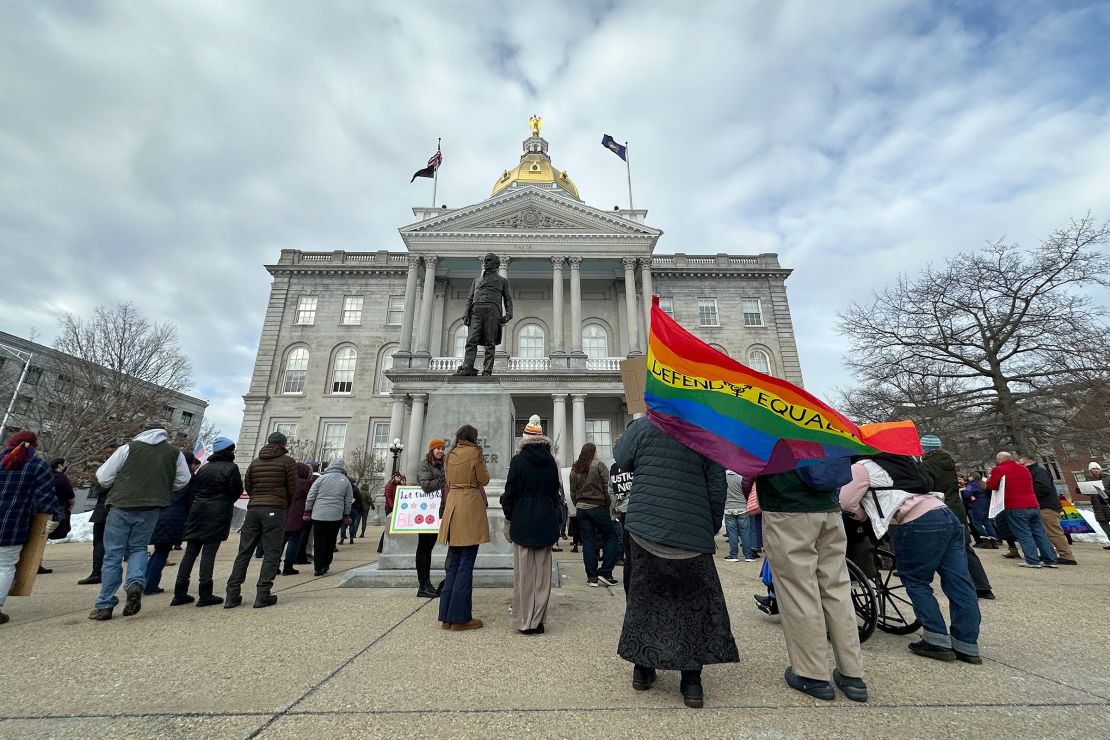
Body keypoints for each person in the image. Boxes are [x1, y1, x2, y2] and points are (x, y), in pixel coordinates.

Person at [614, 416, 737, 709]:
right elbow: (716, 483)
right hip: (691, 532)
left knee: (644, 601)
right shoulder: (705, 429)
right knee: (692, 606)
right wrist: (709, 525)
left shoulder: (644, 426)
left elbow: (621, 460)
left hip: (646, 527)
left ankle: (643, 670)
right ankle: (691, 681)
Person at [841, 455, 982, 664]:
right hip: (944, 514)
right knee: (959, 581)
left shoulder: (863, 467)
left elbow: (846, 501)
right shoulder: (906, 464)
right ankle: (967, 643)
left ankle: (936, 638)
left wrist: (863, 515)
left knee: (915, 580)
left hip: (916, 521)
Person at [755, 459, 867, 703]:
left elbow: (750, 465)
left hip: (787, 508)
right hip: (828, 509)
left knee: (798, 591)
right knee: (837, 590)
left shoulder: (774, 423)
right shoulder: (823, 421)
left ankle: (811, 674)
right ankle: (852, 674)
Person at [90, 426, 191, 621]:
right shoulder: (174, 453)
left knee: (113, 555)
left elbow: (103, 477)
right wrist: (162, 487)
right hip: (151, 506)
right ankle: (135, 582)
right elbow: (183, 480)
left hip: (122, 505)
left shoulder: (128, 448)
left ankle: (105, 604)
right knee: (138, 548)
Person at [500, 417, 561, 634]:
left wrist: (508, 516)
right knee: (543, 575)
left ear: (524, 438)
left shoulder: (518, 461)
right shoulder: (552, 462)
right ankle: (539, 620)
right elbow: (556, 493)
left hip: (523, 521)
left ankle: (525, 621)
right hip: (545, 520)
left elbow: (509, 496)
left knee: (524, 574)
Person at [225, 431, 297, 609]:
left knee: (244, 552)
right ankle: (263, 594)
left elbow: (248, 486)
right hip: (275, 509)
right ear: (283, 445)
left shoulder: (255, 462)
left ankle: (232, 595)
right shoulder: (288, 462)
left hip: (253, 509)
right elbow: (292, 488)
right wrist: (282, 503)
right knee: (272, 553)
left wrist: (257, 499)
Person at [920, 436, 995, 599]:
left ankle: (950, 584)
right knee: (965, 546)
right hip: (956, 506)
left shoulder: (926, 465)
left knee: (937, 548)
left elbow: (925, 486)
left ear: (925, 449)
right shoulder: (948, 462)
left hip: (939, 507)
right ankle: (982, 586)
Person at [173, 437, 243, 606]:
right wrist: (224, 501)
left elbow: (195, 490)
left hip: (198, 511)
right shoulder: (231, 468)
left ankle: (179, 592)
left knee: (190, 552)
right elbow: (236, 490)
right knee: (209, 553)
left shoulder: (204, 468)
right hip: (217, 513)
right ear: (230, 450)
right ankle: (205, 593)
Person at [0, 431, 61, 625]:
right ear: (33, 446)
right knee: (4, 566)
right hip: (13, 524)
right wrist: (55, 516)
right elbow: (45, 497)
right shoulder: (37, 466)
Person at [438, 425, 491, 631]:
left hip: (453, 506)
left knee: (453, 564)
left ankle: (446, 616)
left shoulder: (450, 455)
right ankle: (460, 618)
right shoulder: (475, 453)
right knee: (466, 565)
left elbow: (449, 481)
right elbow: (484, 479)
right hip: (469, 505)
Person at [984, 452, 1057, 568]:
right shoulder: (1023, 469)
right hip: (1033, 504)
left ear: (1000, 460)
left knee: (1024, 533)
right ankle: (1050, 559)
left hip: (1015, 506)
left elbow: (992, 485)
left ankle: (1032, 560)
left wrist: (989, 478)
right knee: (1040, 533)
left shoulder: (999, 469)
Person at [144, 451, 200, 594]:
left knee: (159, 551)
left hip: (159, 514)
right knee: (162, 552)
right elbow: (190, 501)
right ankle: (150, 585)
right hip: (175, 516)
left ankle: (146, 582)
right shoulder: (188, 477)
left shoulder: (166, 474)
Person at [454, 252, 513, 376]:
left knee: (489, 343)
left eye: (489, 260)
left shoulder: (502, 281)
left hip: (492, 311)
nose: (485, 263)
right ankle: (467, 367)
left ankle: (487, 370)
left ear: (496, 265)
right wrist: (466, 312)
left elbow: (508, 298)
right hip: (476, 311)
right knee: (471, 340)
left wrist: (509, 314)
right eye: (485, 261)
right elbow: (470, 298)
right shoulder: (476, 281)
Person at [570, 442, 618, 587]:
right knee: (612, 537)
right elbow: (607, 486)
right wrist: (609, 504)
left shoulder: (575, 467)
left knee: (588, 542)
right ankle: (605, 571)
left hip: (581, 508)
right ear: (594, 452)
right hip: (598, 506)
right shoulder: (599, 465)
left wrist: (578, 504)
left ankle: (591, 577)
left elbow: (572, 491)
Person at [1019, 455, 1076, 565]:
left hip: (1047, 506)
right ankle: (1049, 553)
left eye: (1022, 464)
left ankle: (1067, 555)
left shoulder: (1039, 472)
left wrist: (1027, 493)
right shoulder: (1034, 472)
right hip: (1041, 506)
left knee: (1053, 531)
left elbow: (1043, 488)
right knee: (1044, 532)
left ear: (1028, 463)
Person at [304, 459, 354, 576]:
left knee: (319, 540)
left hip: (319, 514)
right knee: (331, 541)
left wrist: (307, 510)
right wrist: (346, 514)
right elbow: (348, 500)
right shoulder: (345, 481)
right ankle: (326, 564)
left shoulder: (321, 478)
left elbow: (311, 496)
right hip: (335, 515)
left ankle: (318, 567)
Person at [416, 438, 447, 598]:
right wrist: (443, 480)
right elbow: (426, 485)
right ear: (431, 450)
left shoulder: (443, 465)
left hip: (437, 511)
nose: (440, 451)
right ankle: (423, 584)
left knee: (429, 548)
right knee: (423, 547)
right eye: (438, 449)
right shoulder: (424, 465)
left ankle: (427, 583)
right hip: (426, 511)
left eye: (442, 448)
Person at [281, 462, 312, 576]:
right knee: (294, 541)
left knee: (281, 541)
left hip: (285, 513)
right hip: (298, 514)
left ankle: (274, 566)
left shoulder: (287, 482)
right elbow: (310, 497)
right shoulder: (306, 483)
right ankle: (288, 566)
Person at [78, 478, 108, 585]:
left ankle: (97, 573)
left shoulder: (109, 475)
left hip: (103, 510)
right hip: (120, 511)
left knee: (99, 543)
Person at [723, 470, 755, 562]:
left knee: (732, 533)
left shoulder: (723, 478)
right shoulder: (742, 477)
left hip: (728, 508)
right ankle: (748, 556)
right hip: (742, 508)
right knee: (745, 533)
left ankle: (733, 555)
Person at [46, 458, 75, 543]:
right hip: (60, 508)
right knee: (56, 532)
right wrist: (72, 504)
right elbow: (69, 493)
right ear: (59, 465)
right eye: (63, 464)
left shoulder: (46, 476)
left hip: (44, 508)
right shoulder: (61, 478)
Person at [963, 472, 997, 544]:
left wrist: (970, 497)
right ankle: (994, 541)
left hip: (976, 505)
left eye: (969, 476)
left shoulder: (971, 484)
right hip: (986, 505)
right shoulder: (983, 483)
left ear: (972, 477)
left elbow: (966, 494)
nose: (968, 477)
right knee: (987, 523)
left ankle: (986, 541)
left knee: (977, 524)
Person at [378, 471, 406, 554]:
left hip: (397, 507)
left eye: (399, 476)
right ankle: (381, 546)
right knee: (389, 527)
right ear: (393, 477)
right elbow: (388, 496)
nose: (398, 477)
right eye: (397, 476)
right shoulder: (389, 485)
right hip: (390, 508)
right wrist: (393, 506)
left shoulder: (398, 485)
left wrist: (403, 484)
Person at [1086, 463, 1110, 548]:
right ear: (1090, 470)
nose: (1096, 470)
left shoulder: (1107, 477)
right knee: (1103, 523)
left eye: (1097, 469)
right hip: (1097, 505)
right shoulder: (1088, 480)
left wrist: (1104, 491)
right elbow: (1085, 492)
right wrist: (1080, 489)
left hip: (1107, 504)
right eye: (1093, 469)